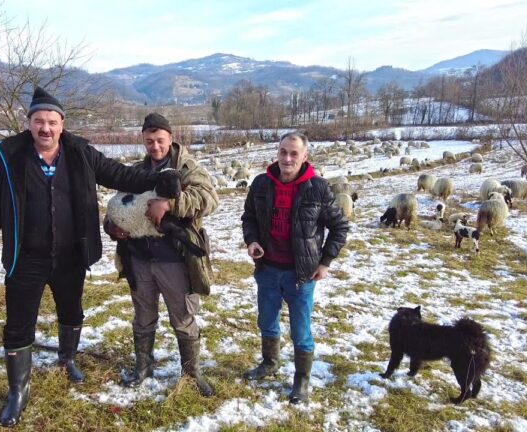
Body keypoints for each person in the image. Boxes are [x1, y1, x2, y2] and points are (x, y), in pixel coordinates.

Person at [0, 88, 177, 427]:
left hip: (70, 254)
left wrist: (158, 177)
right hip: (26, 257)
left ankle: (67, 359)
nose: (46, 128)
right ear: (29, 123)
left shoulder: (81, 152)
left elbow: (119, 175)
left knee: (71, 310)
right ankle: (17, 392)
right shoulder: (11, 155)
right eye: (39, 121)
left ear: (62, 124)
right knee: (19, 324)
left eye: (52, 122)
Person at [104, 113, 219, 396]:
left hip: (176, 259)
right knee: (143, 315)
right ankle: (143, 367)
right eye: (149, 141)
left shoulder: (187, 168)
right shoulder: (135, 172)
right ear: (143, 140)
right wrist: (112, 227)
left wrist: (170, 204)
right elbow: (119, 205)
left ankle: (191, 373)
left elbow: (209, 199)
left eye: (160, 140)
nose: (155, 146)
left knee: (182, 316)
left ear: (170, 138)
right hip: (139, 259)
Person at [240, 132, 348, 404]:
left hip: (301, 274)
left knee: (301, 330)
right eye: (283, 152)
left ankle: (301, 380)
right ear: (277, 152)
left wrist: (324, 262)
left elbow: (339, 227)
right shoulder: (262, 184)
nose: (287, 158)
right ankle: (270, 361)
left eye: (294, 154)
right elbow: (249, 217)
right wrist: (252, 241)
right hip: (267, 270)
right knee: (266, 320)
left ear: (304, 157)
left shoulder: (318, 188)